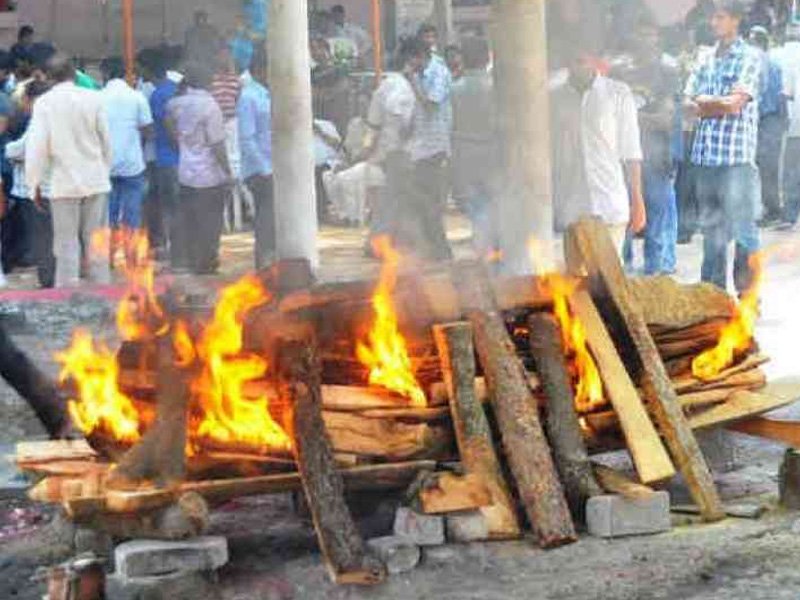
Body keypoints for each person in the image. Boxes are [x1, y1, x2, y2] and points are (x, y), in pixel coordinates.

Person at [684, 0, 762, 294]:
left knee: (744, 233)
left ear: (735, 21)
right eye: (713, 17)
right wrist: (713, 103)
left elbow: (734, 105)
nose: (714, 22)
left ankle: (748, 299)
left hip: (736, 162)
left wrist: (704, 103)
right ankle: (713, 298)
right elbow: (686, 103)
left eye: (720, 17)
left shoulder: (750, 57)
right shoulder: (704, 57)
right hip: (706, 160)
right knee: (712, 232)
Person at [25, 53, 112, 288]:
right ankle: (103, 293)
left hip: (64, 184)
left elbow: (36, 148)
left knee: (66, 245)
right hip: (96, 180)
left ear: (49, 77)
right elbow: (106, 141)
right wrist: (105, 170)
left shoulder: (45, 103)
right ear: (74, 74)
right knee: (96, 243)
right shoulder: (94, 99)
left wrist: (32, 184)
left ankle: (67, 300)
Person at [550, 53, 646, 253]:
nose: (580, 63)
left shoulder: (618, 93)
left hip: (609, 203)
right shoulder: (554, 97)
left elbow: (631, 151)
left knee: (608, 281)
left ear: (594, 58)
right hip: (571, 207)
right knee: (576, 281)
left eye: (584, 56)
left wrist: (637, 201)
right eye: (575, 56)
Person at [617, 19, 680, 275]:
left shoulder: (667, 71)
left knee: (657, 215)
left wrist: (630, 118)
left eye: (649, 34)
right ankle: (623, 270)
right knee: (625, 214)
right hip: (625, 155)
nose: (644, 40)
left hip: (658, 155)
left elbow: (665, 120)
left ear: (657, 37)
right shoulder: (621, 71)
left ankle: (657, 270)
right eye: (639, 33)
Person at [165, 62, 232, 275]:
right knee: (211, 220)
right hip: (210, 173)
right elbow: (217, 144)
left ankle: (187, 260)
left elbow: (171, 131)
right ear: (208, 82)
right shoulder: (210, 106)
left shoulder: (174, 104)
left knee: (188, 218)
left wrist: (184, 146)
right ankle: (207, 262)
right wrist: (228, 171)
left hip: (185, 170)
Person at [366, 38, 424, 250]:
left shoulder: (386, 83)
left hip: (388, 150)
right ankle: (379, 243)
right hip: (399, 152)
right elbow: (395, 111)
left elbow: (374, 120)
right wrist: (405, 131)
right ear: (411, 59)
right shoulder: (401, 86)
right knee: (394, 201)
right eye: (421, 58)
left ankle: (387, 242)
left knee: (392, 200)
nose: (422, 64)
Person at [406, 24, 454, 260]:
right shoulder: (421, 73)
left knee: (431, 202)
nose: (409, 65)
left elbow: (431, 104)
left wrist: (413, 83)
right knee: (421, 201)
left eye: (412, 60)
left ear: (421, 56)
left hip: (435, 146)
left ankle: (441, 251)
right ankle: (433, 248)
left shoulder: (437, 72)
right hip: (421, 146)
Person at [101, 57, 154, 266]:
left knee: (109, 215)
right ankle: (132, 258)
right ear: (126, 74)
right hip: (132, 166)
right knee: (132, 215)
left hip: (106, 166)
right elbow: (148, 130)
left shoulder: (98, 98)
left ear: (105, 75)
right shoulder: (137, 97)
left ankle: (109, 258)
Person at [5, 80, 55, 288]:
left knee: (40, 236)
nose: (23, 103)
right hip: (53, 184)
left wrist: (8, 149)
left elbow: (20, 150)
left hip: (36, 187)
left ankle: (48, 280)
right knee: (51, 235)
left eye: (25, 99)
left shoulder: (39, 120)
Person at [450, 37, 497, 258]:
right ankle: (493, 251)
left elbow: (449, 125)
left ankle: (482, 250)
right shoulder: (496, 88)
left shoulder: (455, 89)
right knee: (494, 203)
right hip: (493, 151)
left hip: (465, 153)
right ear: (487, 57)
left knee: (475, 205)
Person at [237, 48, 273, 270]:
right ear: (261, 69)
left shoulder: (264, 93)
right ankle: (264, 264)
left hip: (271, 165)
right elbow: (246, 138)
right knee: (266, 218)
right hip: (260, 169)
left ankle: (271, 262)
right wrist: (264, 168)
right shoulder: (249, 96)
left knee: (273, 218)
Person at [749, 26, 787, 225]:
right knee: (767, 167)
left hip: (761, 119)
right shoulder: (773, 64)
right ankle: (770, 208)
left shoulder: (758, 63)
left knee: (760, 166)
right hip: (770, 120)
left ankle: (770, 209)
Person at [148, 50, 180, 260]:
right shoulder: (176, 89)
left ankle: (171, 248)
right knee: (179, 205)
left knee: (168, 206)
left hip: (167, 157)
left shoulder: (157, 94)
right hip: (181, 157)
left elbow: (166, 125)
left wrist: (176, 146)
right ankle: (182, 247)